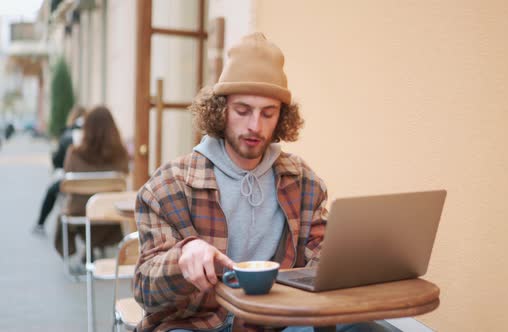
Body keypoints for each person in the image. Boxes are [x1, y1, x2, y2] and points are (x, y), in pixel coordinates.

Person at [133, 33, 395, 332]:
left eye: (268, 113)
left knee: (366, 328)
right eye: (242, 111)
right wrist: (181, 258)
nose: (255, 126)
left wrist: (352, 259)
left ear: (282, 117)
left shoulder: (304, 183)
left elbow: (321, 260)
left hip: (274, 324)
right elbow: (145, 290)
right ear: (220, 111)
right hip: (195, 324)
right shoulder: (168, 185)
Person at [53, 106, 129, 264]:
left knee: (72, 208)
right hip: (109, 212)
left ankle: (89, 249)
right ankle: (94, 247)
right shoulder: (121, 155)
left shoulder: (73, 154)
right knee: (102, 207)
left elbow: (65, 182)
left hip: (79, 212)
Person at [32, 106, 86, 235]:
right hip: (98, 182)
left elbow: (59, 162)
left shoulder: (69, 136)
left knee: (52, 191)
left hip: (74, 181)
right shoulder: (97, 136)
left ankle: (40, 223)